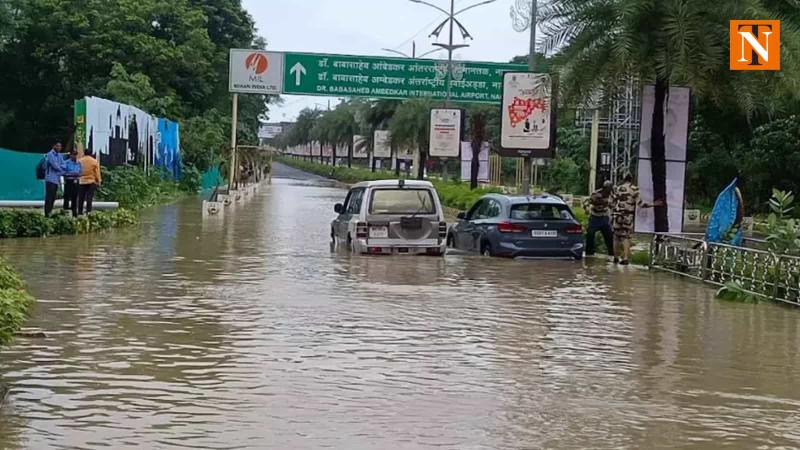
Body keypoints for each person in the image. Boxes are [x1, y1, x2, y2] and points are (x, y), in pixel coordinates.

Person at [612, 173, 661, 265]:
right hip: (627, 216)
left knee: (616, 236)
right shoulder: (634, 189)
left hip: (617, 215)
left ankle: (615, 257)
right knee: (626, 237)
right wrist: (653, 204)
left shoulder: (617, 188)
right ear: (632, 179)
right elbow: (641, 204)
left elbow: (613, 202)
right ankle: (625, 258)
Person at [583, 180, 615, 257]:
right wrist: (586, 208)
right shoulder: (596, 194)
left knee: (609, 236)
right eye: (607, 190)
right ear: (604, 188)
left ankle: (612, 253)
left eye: (610, 190)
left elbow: (613, 205)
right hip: (595, 217)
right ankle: (589, 253)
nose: (608, 192)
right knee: (590, 234)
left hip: (604, 217)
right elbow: (586, 202)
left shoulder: (612, 195)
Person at [43, 142, 65, 217]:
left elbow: (63, 165)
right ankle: (47, 213)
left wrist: (61, 168)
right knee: (49, 197)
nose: (59, 148)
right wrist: (61, 169)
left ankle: (50, 212)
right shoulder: (50, 154)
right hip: (50, 179)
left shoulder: (60, 155)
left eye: (60, 146)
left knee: (53, 197)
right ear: (53, 146)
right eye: (57, 146)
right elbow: (55, 165)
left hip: (56, 179)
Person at [78, 148, 101, 215]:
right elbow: (97, 173)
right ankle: (88, 212)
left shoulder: (80, 161)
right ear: (91, 154)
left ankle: (79, 212)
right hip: (91, 182)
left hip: (82, 181)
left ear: (84, 153)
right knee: (89, 198)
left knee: (81, 198)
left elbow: (77, 171)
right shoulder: (94, 161)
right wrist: (99, 181)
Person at [62, 150, 82, 217]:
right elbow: (63, 172)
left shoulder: (78, 163)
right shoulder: (66, 162)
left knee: (75, 197)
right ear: (70, 155)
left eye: (76, 154)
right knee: (67, 196)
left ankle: (74, 212)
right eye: (73, 154)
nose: (75, 156)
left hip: (76, 181)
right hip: (69, 181)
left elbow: (81, 172)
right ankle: (65, 212)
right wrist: (72, 174)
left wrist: (77, 174)